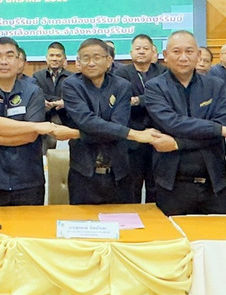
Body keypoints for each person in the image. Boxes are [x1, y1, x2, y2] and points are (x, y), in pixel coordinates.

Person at [143, 32, 226, 215]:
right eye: (176, 52)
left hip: (214, 182)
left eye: (189, 51)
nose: (183, 57)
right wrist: (219, 130)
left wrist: (177, 143)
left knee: (223, 231)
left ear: (198, 55)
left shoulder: (216, 85)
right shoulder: (154, 87)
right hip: (171, 183)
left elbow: (219, 126)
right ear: (165, 56)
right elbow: (172, 123)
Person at [0, 37, 78, 206]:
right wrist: (37, 126)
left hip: (29, 178)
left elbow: (30, 136)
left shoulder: (33, 91)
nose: (4, 61)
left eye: (9, 56)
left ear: (19, 62)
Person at [62, 38, 157, 204]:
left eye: (97, 57)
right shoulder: (71, 85)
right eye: (85, 58)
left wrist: (80, 134)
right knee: (83, 220)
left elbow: (117, 125)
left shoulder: (122, 86)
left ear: (109, 61)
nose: (91, 63)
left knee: (124, 218)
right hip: (83, 173)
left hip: (119, 173)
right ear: (78, 62)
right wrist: (132, 134)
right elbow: (86, 121)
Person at [115, 34, 167, 202]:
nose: (142, 52)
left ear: (153, 52)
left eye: (146, 48)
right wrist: (149, 100)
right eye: (138, 49)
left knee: (156, 185)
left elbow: (164, 98)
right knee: (132, 185)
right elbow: (122, 102)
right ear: (131, 52)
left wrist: (138, 100)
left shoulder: (163, 72)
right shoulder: (121, 73)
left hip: (159, 133)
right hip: (133, 135)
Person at [33, 41, 72, 153]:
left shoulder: (72, 77)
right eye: (51, 55)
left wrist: (63, 102)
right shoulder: (37, 76)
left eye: (58, 56)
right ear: (46, 58)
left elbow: (72, 97)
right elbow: (37, 94)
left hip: (66, 120)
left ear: (64, 59)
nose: (54, 59)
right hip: (44, 120)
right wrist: (54, 101)